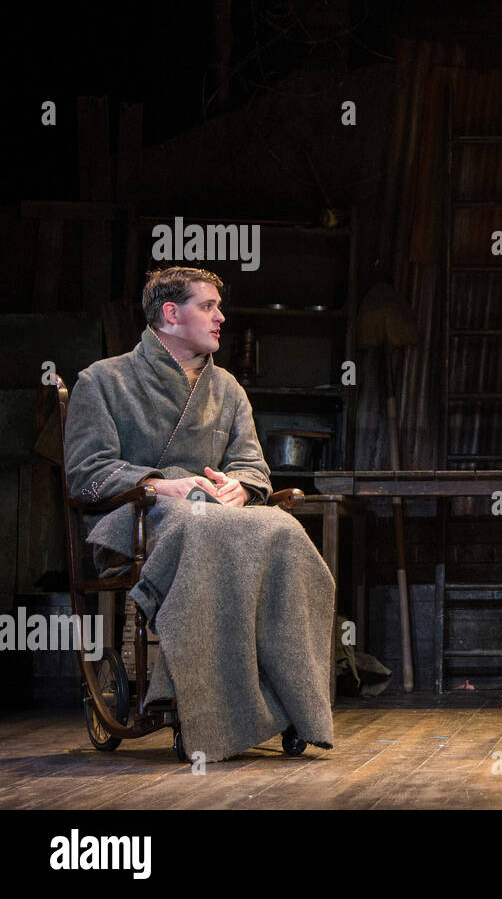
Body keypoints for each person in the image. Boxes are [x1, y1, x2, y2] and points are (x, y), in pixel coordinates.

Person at [64, 266, 336, 762]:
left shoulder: (227, 387)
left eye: (218, 307)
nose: (221, 317)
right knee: (198, 523)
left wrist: (241, 486)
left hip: (216, 519)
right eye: (207, 307)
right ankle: (200, 706)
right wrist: (160, 483)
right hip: (138, 520)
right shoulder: (103, 381)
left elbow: (252, 464)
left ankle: (297, 704)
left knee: (285, 528)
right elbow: (87, 474)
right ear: (170, 314)